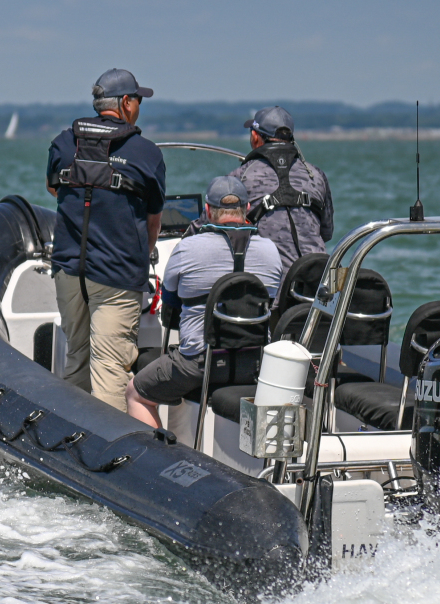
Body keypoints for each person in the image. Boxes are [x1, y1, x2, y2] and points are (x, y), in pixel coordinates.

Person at [47, 68, 166, 410]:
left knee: (77, 360)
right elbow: (154, 217)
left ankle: (69, 441)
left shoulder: (62, 142)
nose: (139, 106)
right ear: (126, 103)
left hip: (70, 272)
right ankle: (108, 457)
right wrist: (141, 258)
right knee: (110, 370)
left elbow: (54, 188)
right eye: (138, 99)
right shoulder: (146, 153)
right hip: (116, 277)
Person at [126, 176, 282, 426]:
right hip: (255, 363)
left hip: (198, 365)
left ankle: (157, 456)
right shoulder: (271, 251)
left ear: (207, 210)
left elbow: (170, 308)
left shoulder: (188, 248)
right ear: (248, 209)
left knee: (135, 393)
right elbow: (270, 304)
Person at [229, 105, 334, 272]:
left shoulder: (239, 178)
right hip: (318, 282)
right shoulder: (316, 175)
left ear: (255, 137)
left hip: (270, 286)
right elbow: (327, 233)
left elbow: (217, 230)